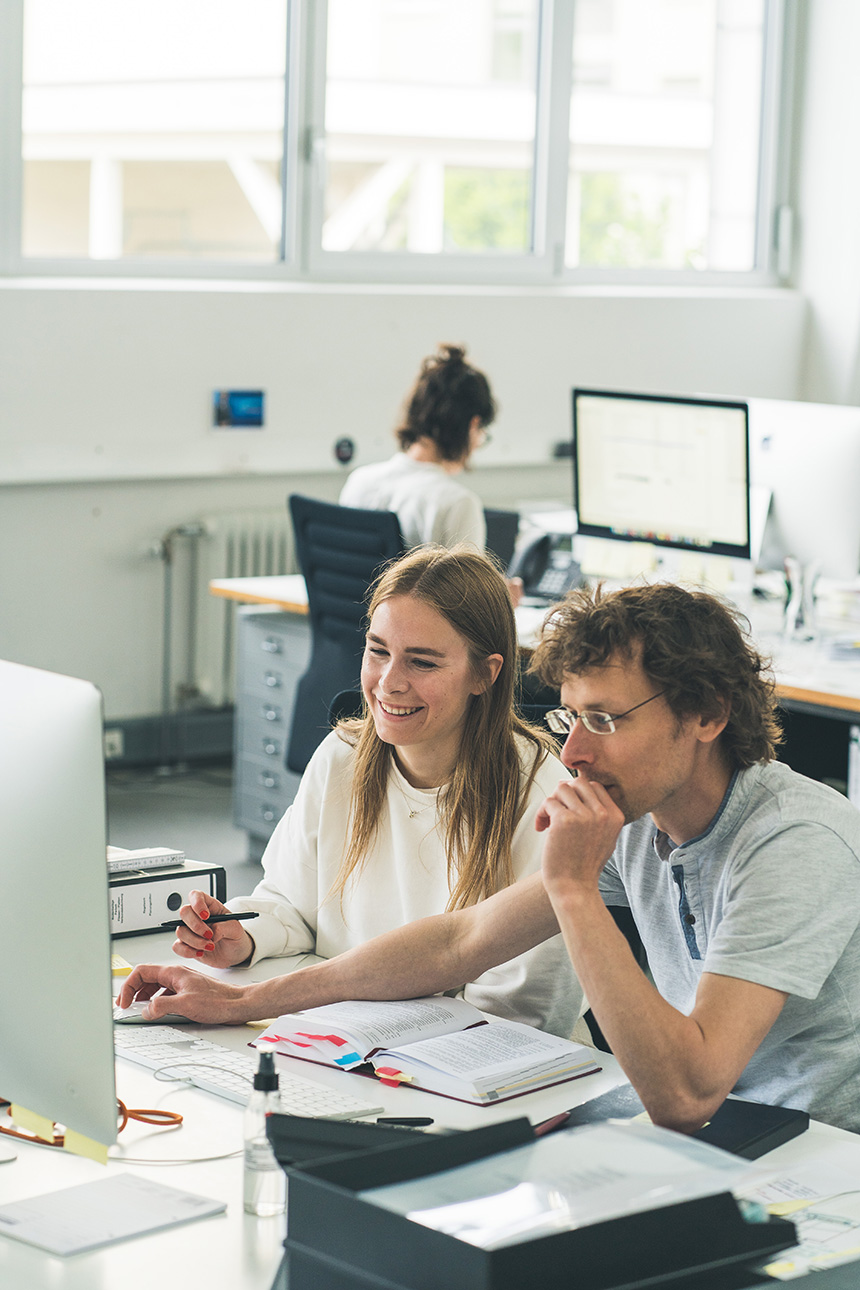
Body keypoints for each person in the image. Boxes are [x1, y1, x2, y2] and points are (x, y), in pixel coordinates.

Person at [121, 582, 860, 1134]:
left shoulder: (796, 841)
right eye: (573, 717)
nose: (572, 751)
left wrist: (572, 890)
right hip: (706, 1128)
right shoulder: (637, 810)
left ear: (706, 715)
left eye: (604, 720)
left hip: (807, 1151)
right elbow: (460, 941)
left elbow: (690, 1091)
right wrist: (245, 1001)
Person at [135, 546, 581, 1037]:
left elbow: (519, 1013)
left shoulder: (541, 795)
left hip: (454, 1062)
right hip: (339, 1035)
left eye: (423, 663)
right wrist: (246, 936)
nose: (389, 683)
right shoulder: (342, 755)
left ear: (485, 674)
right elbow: (291, 903)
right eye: (378, 651)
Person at [339, 343, 494, 551]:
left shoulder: (359, 481)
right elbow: (468, 586)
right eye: (481, 432)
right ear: (472, 425)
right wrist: (499, 585)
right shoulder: (458, 504)